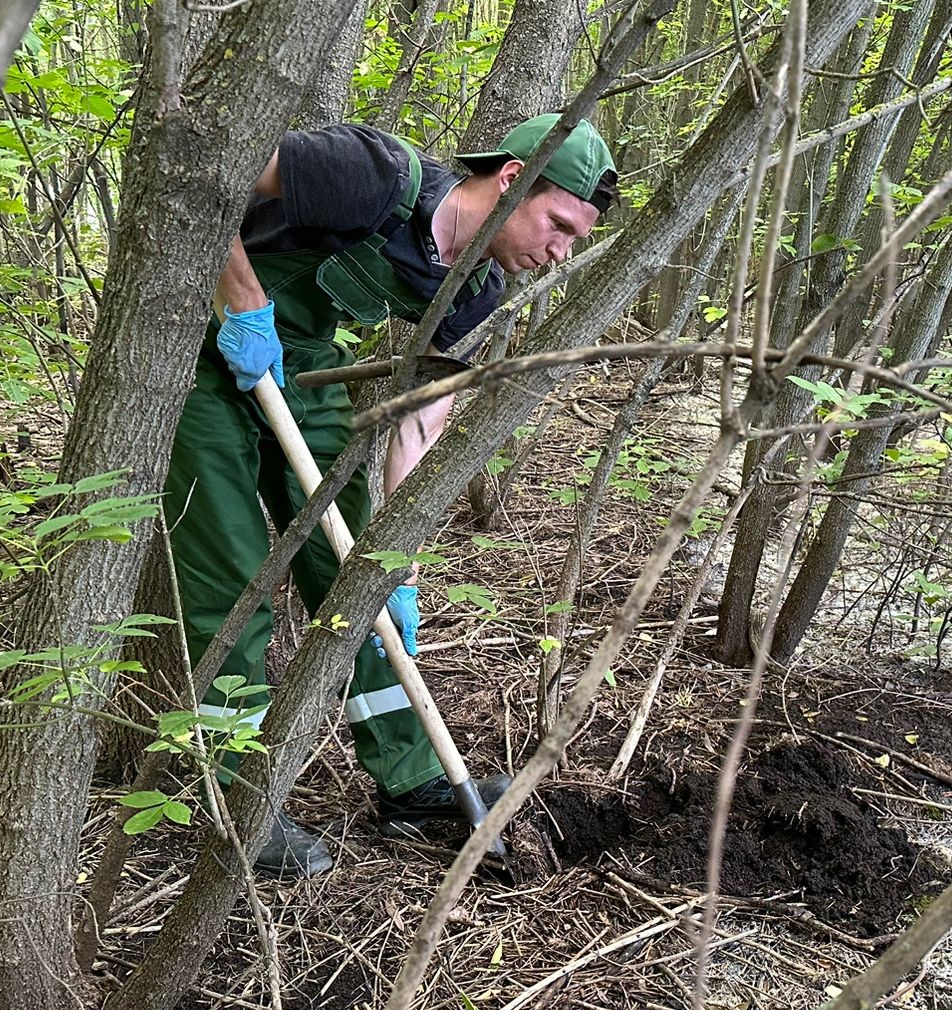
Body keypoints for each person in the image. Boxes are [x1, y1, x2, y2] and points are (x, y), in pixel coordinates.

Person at [167, 113, 618, 879]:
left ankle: (412, 784)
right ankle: (238, 806)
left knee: (361, 578)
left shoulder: (477, 287)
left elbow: (420, 419)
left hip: (300, 366)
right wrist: (242, 302)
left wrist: (395, 554)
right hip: (201, 348)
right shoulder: (370, 174)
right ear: (511, 179)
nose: (558, 252)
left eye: (574, 241)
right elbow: (210, 174)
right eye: (559, 224)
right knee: (234, 575)